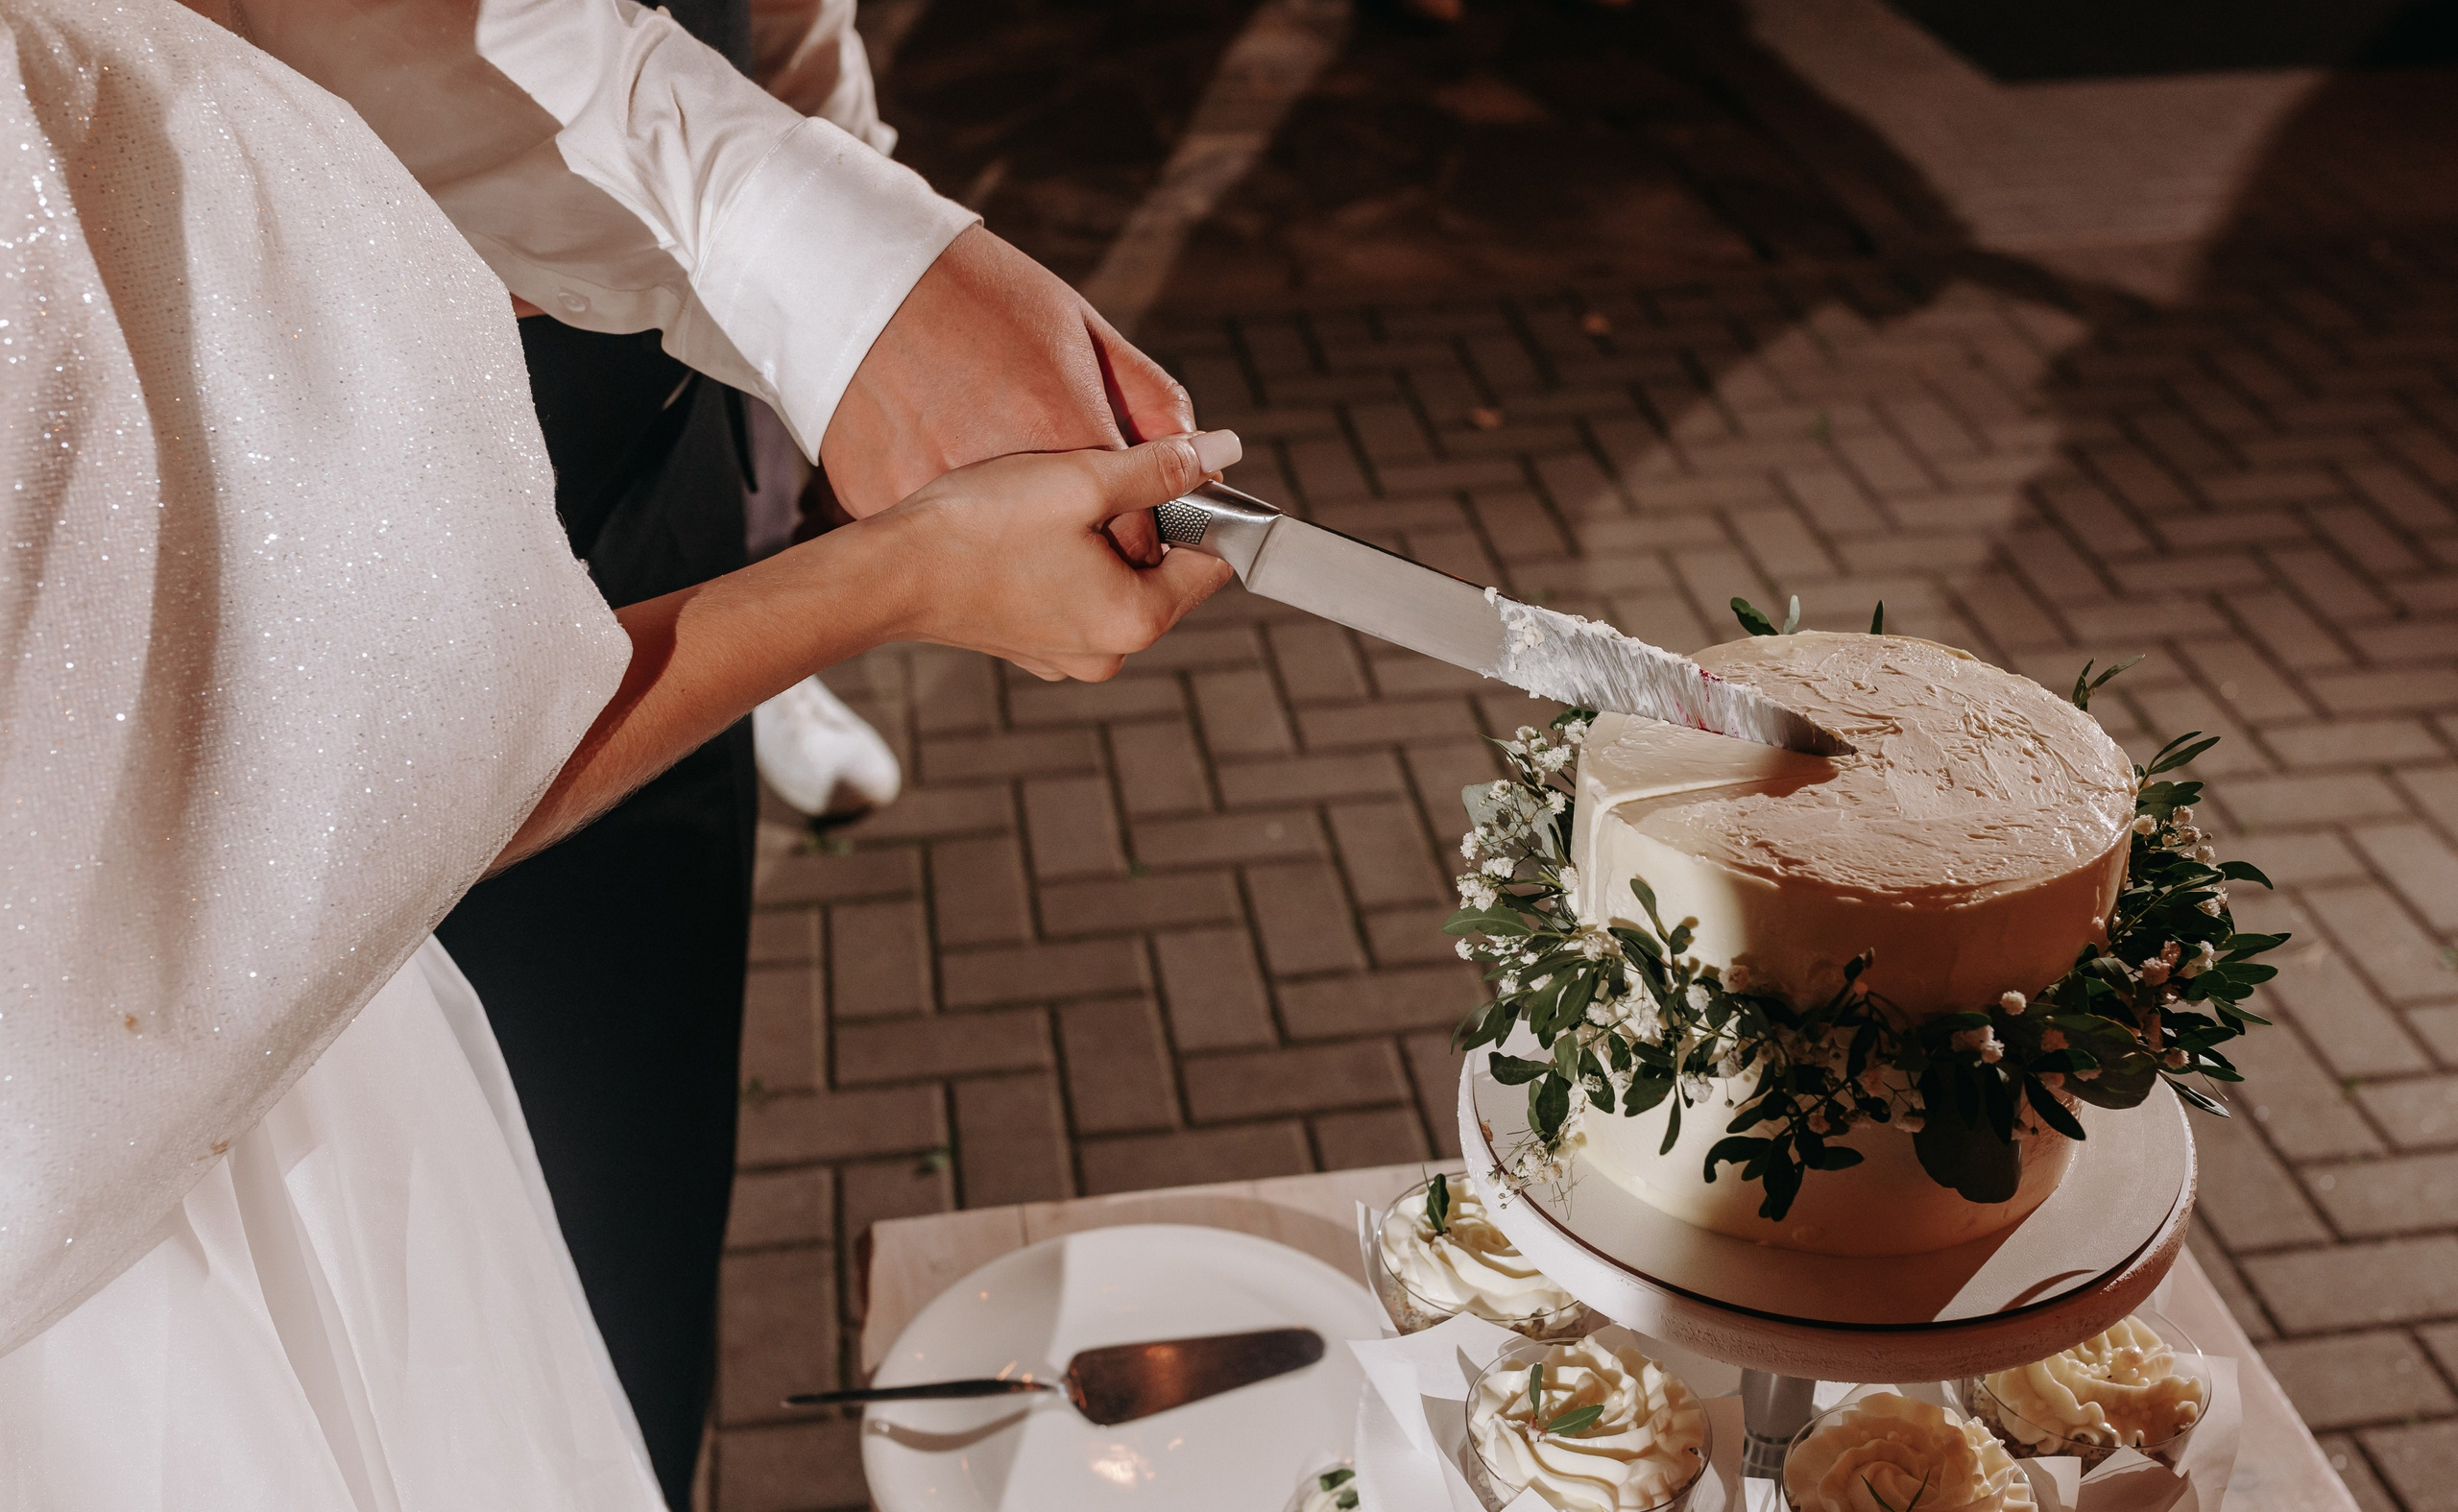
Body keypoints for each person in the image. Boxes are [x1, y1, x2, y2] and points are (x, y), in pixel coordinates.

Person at [0, 0, 1234, 1506]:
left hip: (637, 494)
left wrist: (861, 311)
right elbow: (200, 861)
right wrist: (897, 569)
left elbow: (763, 43)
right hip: (175, 1105)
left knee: (635, 1326)